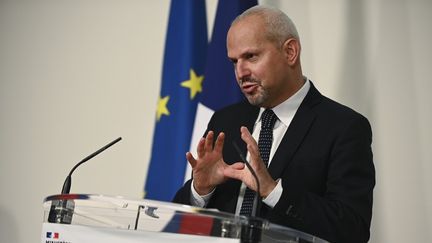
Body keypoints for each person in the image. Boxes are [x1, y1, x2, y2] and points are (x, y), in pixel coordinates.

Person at [173, 5, 375, 243]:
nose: (240, 72)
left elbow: (352, 230)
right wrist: (201, 190)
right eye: (233, 61)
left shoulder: (343, 127)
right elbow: (178, 220)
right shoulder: (225, 120)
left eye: (251, 56)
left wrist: (272, 191)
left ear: (290, 52)